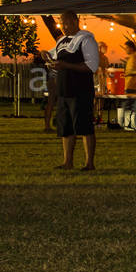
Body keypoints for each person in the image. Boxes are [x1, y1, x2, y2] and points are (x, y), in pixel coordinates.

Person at [47, 11, 99, 170]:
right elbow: (52, 55)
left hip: (80, 90)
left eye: (66, 23)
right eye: (61, 23)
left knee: (84, 127)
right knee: (66, 128)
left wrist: (66, 66)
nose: (63, 26)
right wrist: (45, 56)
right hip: (64, 90)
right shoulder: (61, 41)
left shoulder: (86, 39)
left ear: (76, 21)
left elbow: (92, 66)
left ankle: (89, 163)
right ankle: (67, 161)